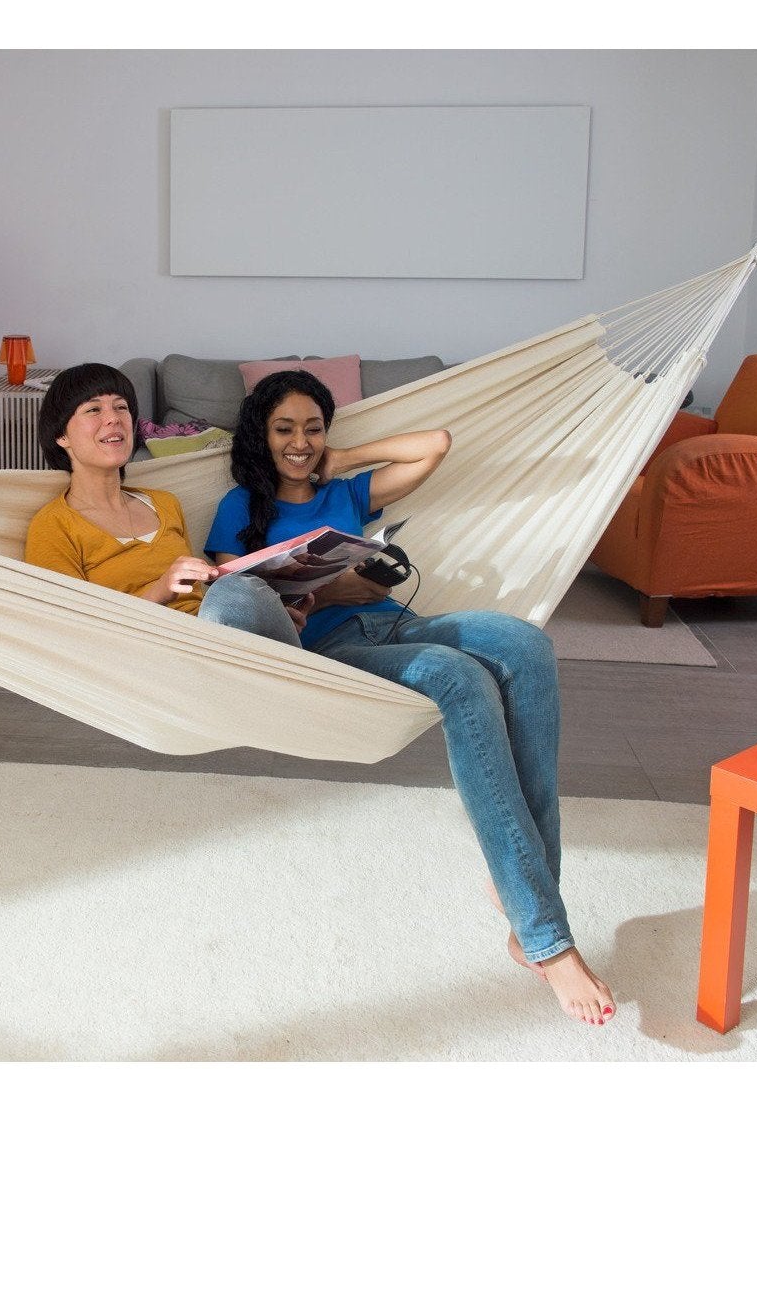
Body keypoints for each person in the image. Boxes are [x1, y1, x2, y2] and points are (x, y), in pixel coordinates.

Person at [205, 369, 617, 1027]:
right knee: (459, 676)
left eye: (313, 427)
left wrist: (345, 459)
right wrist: (329, 595)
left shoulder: (346, 491)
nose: (300, 441)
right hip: (338, 653)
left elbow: (436, 443)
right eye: (285, 428)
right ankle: (547, 939)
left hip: (399, 622)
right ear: (261, 432)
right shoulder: (239, 509)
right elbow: (236, 606)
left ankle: (521, 896)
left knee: (526, 646)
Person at [24, 363, 306, 648]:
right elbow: (70, 632)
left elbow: (203, 598)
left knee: (239, 592)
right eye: (94, 410)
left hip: (213, 638)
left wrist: (267, 614)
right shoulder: (54, 525)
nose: (114, 419)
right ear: (61, 435)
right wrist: (160, 591)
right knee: (234, 591)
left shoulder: (164, 503)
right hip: (146, 653)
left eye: (121, 407)